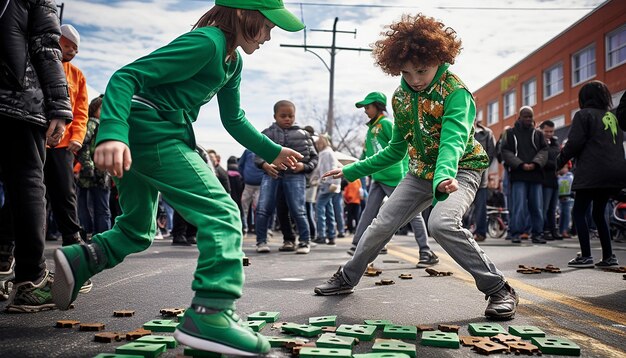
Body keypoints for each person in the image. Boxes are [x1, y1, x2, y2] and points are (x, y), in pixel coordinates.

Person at [50, 1, 305, 355]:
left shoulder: (232, 61)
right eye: (268, 26)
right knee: (222, 213)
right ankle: (211, 314)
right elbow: (127, 76)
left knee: (136, 228)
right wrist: (111, 132)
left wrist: (271, 150)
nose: (269, 36)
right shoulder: (208, 42)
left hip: (149, 134)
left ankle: (83, 259)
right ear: (245, 14)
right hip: (152, 132)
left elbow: (234, 119)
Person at [314, 13, 519, 320]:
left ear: (439, 58)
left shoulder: (456, 93)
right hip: (420, 172)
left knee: (441, 223)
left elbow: (452, 142)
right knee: (382, 223)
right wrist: (352, 170)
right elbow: (397, 149)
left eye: (422, 71)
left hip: (459, 169)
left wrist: (444, 177)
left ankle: (498, 288)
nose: (416, 80)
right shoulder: (401, 97)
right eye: (406, 73)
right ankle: (347, 277)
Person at [0, 0, 73, 312]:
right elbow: (46, 45)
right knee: (28, 182)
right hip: (17, 95)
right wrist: (59, 105)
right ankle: (31, 280)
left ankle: (4, 260)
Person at [347, 91, 437, 267]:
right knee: (369, 212)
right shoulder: (372, 129)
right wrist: (358, 170)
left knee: (412, 213)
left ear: (378, 107)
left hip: (393, 175)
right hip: (378, 177)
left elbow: (400, 149)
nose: (365, 110)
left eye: (368, 107)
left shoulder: (386, 124)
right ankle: (357, 244)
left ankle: (425, 251)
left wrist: (404, 172)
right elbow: (367, 154)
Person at [556, 80, 626, 268]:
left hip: (592, 171)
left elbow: (574, 144)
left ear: (584, 98)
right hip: (614, 172)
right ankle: (609, 256)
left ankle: (586, 256)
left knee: (578, 211)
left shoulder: (583, 115)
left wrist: (558, 162)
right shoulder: (614, 117)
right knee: (599, 212)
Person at [44, 24, 89, 246]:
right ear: (57, 40)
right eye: (69, 46)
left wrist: (77, 137)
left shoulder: (77, 75)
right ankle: (6, 244)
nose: (73, 51)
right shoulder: (37, 65)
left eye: (76, 49)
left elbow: (82, 111)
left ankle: (72, 240)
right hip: (35, 141)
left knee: (65, 193)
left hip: (63, 145)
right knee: (27, 193)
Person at [254, 100, 318, 254]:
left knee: (298, 210)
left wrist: (304, 166)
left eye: (291, 116)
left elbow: (314, 158)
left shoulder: (304, 134)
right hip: (272, 175)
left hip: (295, 176)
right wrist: (265, 165)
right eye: (283, 116)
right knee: (263, 209)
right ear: (275, 116)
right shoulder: (266, 134)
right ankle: (261, 241)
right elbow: (256, 155)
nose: (288, 119)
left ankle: (304, 242)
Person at [500, 106, 548, 244]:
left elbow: (544, 150)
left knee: (537, 207)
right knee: (519, 207)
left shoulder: (538, 134)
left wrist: (535, 163)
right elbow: (505, 151)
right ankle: (515, 233)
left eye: (530, 116)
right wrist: (521, 164)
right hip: (518, 175)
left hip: (535, 175)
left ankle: (537, 234)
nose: (528, 119)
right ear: (519, 117)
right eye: (525, 116)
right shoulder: (510, 133)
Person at [76, 95, 112, 238]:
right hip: (96, 171)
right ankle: (101, 236)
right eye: (101, 108)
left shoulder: (100, 124)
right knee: (101, 207)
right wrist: (89, 165)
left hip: (95, 171)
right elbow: (83, 142)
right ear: (95, 108)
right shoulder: (93, 123)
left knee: (93, 206)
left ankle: (92, 233)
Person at [312, 134, 342, 245]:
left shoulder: (325, 153)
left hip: (327, 184)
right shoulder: (329, 152)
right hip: (330, 184)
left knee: (319, 207)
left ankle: (322, 235)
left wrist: (333, 182)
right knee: (329, 210)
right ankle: (331, 235)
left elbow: (330, 168)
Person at [470, 117, 496, 241]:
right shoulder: (460, 129)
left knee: (480, 207)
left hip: (481, 177)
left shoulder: (487, 133)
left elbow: (491, 153)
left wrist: (480, 166)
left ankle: (480, 233)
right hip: (460, 175)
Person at [539, 120, 562, 241]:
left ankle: (553, 230)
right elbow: (543, 161)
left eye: (551, 131)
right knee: (545, 208)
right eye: (546, 131)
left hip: (554, 180)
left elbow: (557, 156)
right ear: (541, 130)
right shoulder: (538, 141)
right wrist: (555, 164)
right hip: (544, 180)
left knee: (553, 208)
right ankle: (544, 230)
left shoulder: (555, 142)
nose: (549, 133)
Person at [238, 149, 265, 234]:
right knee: (244, 206)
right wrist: (245, 177)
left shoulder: (264, 150)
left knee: (257, 207)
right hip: (248, 184)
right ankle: (244, 226)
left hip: (259, 185)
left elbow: (240, 165)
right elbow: (240, 165)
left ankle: (256, 227)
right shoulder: (247, 151)